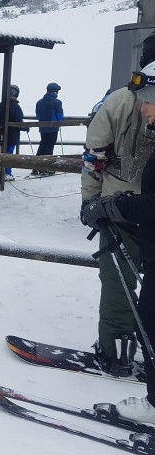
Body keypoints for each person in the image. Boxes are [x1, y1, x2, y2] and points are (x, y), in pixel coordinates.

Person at [80, 36, 155, 376]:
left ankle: (116, 349)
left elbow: (94, 156)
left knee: (118, 280)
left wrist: (90, 202)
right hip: (147, 208)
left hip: (117, 207)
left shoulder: (120, 100)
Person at [81, 148, 155, 425]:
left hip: (128, 211)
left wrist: (113, 204)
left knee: (149, 321)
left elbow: (93, 155)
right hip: (138, 223)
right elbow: (93, 159)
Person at [0, 84, 27, 181]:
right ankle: (6, 173)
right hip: (11, 136)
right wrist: (25, 127)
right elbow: (18, 122)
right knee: (8, 154)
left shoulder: (0, 105)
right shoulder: (16, 107)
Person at [33, 82, 64, 174]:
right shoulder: (57, 102)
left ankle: (35, 166)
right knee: (49, 146)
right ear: (55, 91)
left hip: (42, 127)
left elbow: (37, 116)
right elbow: (60, 116)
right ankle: (46, 167)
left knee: (42, 145)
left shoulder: (39, 102)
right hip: (53, 128)